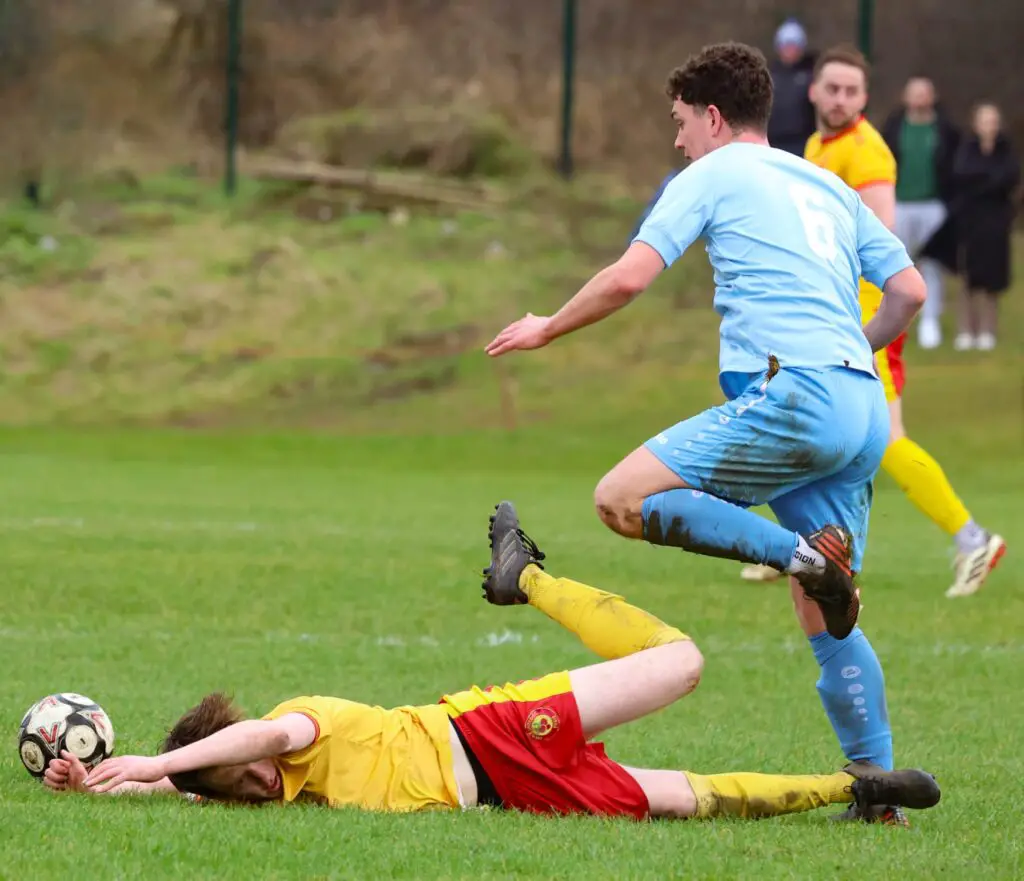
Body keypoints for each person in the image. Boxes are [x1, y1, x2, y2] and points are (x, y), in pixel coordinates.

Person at [485, 42, 928, 824]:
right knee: (827, 610)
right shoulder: (824, 181)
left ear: (714, 116)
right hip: (859, 406)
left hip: (798, 395)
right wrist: (852, 351)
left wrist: (547, 326)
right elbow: (909, 290)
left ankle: (799, 556)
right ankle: (878, 793)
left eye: (681, 121)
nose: (678, 139)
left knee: (620, 498)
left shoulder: (711, 173)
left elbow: (629, 275)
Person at [46, 502, 942, 824]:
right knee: (683, 799)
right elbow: (186, 788)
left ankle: (529, 578)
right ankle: (857, 788)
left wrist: (159, 759)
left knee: (682, 661)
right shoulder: (275, 788)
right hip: (517, 792)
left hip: (490, 729)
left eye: (233, 775)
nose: (251, 787)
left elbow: (256, 735)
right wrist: (102, 785)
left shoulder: (296, 727)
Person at [745, 45, 1006, 599]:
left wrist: (864, 325)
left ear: (864, 98)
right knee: (803, 419)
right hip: (827, 317)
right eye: (831, 88)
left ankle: (972, 538)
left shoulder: (867, 154)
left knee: (885, 438)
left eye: (851, 91)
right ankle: (799, 545)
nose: (839, 99)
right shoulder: (818, 146)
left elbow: (881, 245)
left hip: (866, 319)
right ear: (813, 91)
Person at [881, 77, 961, 350]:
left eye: (924, 93)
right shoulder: (894, 128)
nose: (919, 99)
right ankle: (895, 322)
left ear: (932, 96)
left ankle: (930, 321)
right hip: (900, 204)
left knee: (932, 265)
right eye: (914, 93)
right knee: (898, 264)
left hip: (933, 205)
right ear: (905, 97)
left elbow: (953, 166)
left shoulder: (944, 129)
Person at [951, 103, 1020, 351]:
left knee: (993, 277)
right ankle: (966, 330)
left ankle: (988, 330)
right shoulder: (966, 150)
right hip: (971, 221)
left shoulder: (1005, 151)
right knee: (969, 276)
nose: (988, 126)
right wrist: (987, 180)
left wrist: (984, 182)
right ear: (975, 123)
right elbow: (962, 175)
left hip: (997, 221)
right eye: (983, 120)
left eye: (992, 121)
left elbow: (1008, 178)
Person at [767, 18, 818, 156]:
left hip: (801, 144)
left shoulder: (810, 76)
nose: (789, 50)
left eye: (794, 45)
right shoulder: (770, 74)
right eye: (785, 45)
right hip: (773, 143)